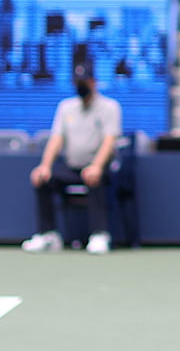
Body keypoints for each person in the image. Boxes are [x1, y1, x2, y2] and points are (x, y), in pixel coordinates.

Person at [23, 63, 121, 255]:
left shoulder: (110, 107)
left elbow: (109, 141)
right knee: (43, 179)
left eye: (84, 82)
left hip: (98, 166)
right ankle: (48, 234)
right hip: (71, 166)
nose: (80, 86)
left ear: (93, 82)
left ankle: (99, 234)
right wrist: (45, 166)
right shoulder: (66, 107)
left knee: (94, 178)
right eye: (77, 82)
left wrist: (96, 166)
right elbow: (56, 139)